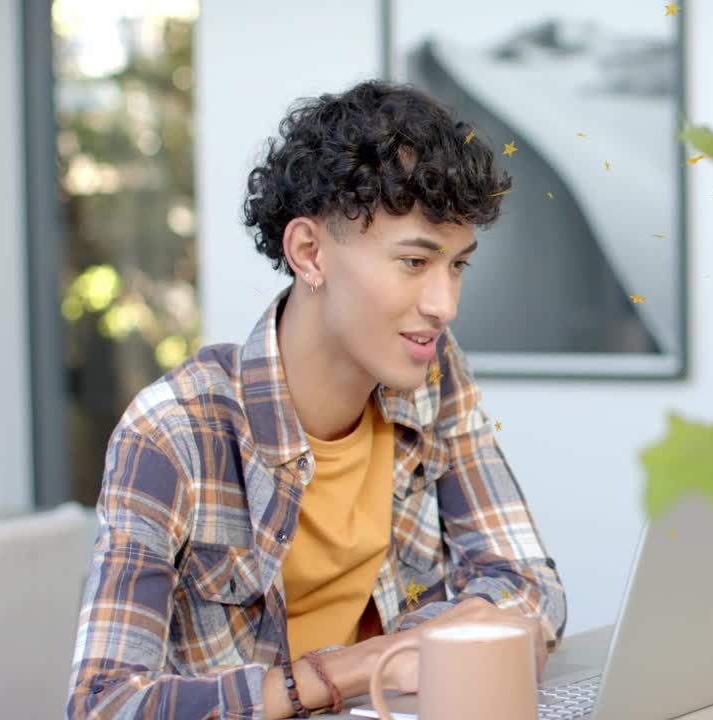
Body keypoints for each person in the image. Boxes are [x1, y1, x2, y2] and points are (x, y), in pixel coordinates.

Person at [66, 79, 567, 719]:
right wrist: (358, 667)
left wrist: (478, 622)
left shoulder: (435, 372)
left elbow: (529, 582)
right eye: (415, 263)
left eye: (457, 265)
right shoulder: (172, 433)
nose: (444, 305)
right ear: (309, 252)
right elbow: (102, 706)